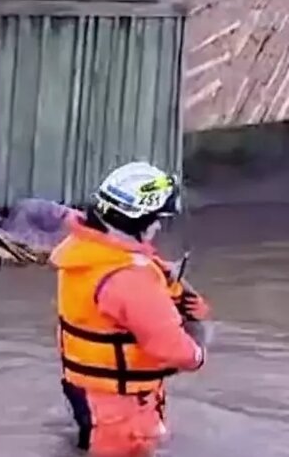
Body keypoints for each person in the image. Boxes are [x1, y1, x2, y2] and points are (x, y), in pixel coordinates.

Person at [50, 161, 212, 456]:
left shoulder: (83, 253)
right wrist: (199, 346)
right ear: (137, 221)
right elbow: (178, 352)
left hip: (85, 393)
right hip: (121, 411)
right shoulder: (131, 279)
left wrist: (173, 294)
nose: (158, 226)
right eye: (155, 218)